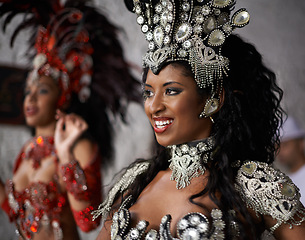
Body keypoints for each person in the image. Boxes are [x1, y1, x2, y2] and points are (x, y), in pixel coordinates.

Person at [94, 0, 305, 239]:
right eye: (148, 92)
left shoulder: (255, 185)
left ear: (214, 97)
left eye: (171, 90)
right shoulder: (135, 183)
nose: (153, 106)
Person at [0, 0, 140, 239]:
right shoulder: (27, 150)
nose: (30, 98)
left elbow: (88, 222)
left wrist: (65, 157)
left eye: (42, 90)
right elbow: (15, 211)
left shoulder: (80, 146)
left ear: (63, 97)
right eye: (28, 91)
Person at [277, 116, 305, 205]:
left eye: (285, 145)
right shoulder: (282, 182)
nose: (279, 151)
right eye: (276, 147)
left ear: (301, 143)